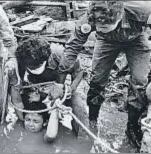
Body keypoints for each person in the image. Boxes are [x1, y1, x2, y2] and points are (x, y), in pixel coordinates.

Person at [50, 1, 151, 151]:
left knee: (140, 82)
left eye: (105, 27)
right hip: (106, 41)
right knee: (97, 79)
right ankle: (92, 119)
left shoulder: (143, 10)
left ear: (119, 15)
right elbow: (72, 49)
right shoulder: (89, 19)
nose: (101, 28)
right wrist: (59, 83)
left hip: (136, 39)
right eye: (99, 27)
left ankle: (132, 129)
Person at [10, 37, 85, 141]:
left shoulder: (60, 54)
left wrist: (72, 88)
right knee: (25, 114)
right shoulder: (19, 57)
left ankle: (81, 139)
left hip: (60, 87)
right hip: (32, 88)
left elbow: (79, 72)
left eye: (35, 67)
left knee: (79, 108)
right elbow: (17, 99)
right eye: (29, 67)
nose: (32, 69)